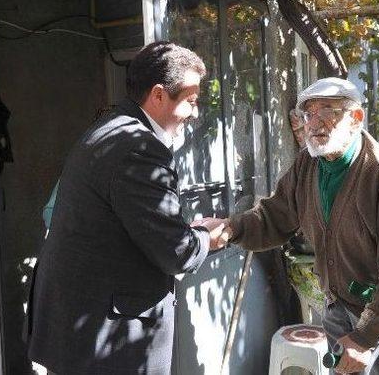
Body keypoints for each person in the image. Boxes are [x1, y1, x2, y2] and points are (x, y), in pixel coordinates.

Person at [197, 77, 379, 374]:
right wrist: (231, 229)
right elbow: (274, 216)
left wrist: (364, 337)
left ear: (355, 118)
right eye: (309, 114)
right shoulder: (308, 165)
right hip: (339, 306)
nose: (314, 122)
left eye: (327, 111)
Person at [26, 41, 228, 374]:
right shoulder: (139, 148)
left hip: (79, 331)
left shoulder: (111, 129)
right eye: (190, 102)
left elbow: (126, 227)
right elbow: (177, 252)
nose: (194, 113)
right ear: (159, 95)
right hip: (105, 344)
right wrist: (208, 236)